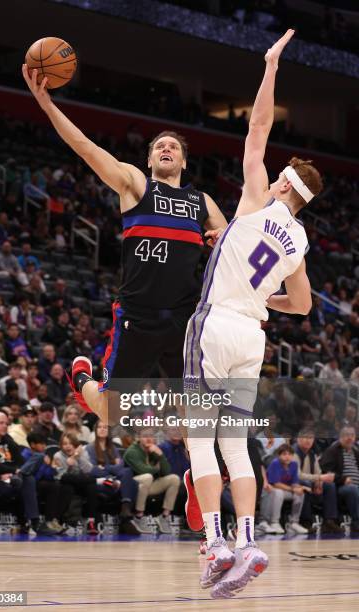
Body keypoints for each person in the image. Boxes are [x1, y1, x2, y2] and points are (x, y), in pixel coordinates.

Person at [182, 30, 324, 599]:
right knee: (236, 444)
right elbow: (306, 306)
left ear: (284, 183)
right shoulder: (299, 241)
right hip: (253, 337)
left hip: (216, 323)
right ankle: (247, 542)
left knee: (199, 439)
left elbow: (258, 126)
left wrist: (269, 68)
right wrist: (268, 300)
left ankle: (215, 543)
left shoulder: (255, 198)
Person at [22, 62, 227, 425]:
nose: (167, 148)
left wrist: (219, 241)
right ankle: (82, 378)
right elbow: (86, 149)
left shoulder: (203, 202)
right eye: (160, 146)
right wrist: (48, 106)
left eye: (174, 146)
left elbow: (231, 253)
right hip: (138, 315)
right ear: (149, 159)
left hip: (184, 317)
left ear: (183, 160)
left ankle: (201, 478)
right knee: (112, 414)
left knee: (196, 415)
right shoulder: (136, 184)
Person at [0, 411, 56, 535]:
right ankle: (34, 523)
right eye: (1, 423)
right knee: (28, 477)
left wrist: (15, 471)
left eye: (6, 423)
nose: (5, 426)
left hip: (14, 476)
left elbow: (20, 460)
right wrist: (10, 471)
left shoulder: (8, 439)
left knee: (33, 466)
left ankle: (35, 523)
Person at [86, 420, 141, 535]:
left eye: (105, 427)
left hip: (115, 482)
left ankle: (125, 511)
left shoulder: (113, 448)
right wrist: (111, 468)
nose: (102, 429)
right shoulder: (89, 448)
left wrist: (104, 467)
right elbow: (93, 470)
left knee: (128, 473)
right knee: (130, 483)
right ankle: (125, 518)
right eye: (99, 427)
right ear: (95, 431)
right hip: (101, 483)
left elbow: (120, 468)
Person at [124, 428, 180, 534]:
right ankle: (139, 516)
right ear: (138, 438)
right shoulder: (132, 451)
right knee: (147, 476)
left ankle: (164, 516)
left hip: (148, 486)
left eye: (151, 436)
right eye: (145, 436)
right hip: (133, 485)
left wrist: (160, 455)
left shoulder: (154, 450)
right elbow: (142, 470)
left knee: (174, 479)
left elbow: (166, 471)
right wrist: (156, 468)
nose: (148, 439)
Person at [293, 429, 343, 534]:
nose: (308, 441)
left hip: (310, 482)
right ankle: (305, 522)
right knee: (305, 484)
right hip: (293, 483)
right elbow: (298, 475)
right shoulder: (293, 452)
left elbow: (318, 472)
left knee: (329, 485)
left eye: (311, 438)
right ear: (299, 439)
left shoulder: (312, 454)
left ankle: (329, 521)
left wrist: (319, 483)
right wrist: (319, 478)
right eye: (305, 437)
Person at [53, 433, 99, 534]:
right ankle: (63, 522)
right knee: (68, 482)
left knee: (92, 486)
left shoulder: (83, 453)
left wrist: (77, 456)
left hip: (82, 483)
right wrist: (71, 462)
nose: (68, 446)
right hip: (65, 483)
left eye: (71, 443)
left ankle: (91, 522)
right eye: (65, 444)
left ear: (75, 445)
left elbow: (88, 470)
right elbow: (62, 476)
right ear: (61, 445)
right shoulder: (58, 456)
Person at [259, 444, 310, 535]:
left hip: (286, 491)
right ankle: (274, 522)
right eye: (284, 454)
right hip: (271, 491)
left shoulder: (294, 464)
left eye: (290, 454)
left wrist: (299, 488)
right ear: (279, 455)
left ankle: (294, 523)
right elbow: (276, 484)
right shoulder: (275, 463)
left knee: (300, 493)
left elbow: (294, 482)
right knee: (279, 492)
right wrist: (293, 489)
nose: (287, 457)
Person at [320, 426, 359, 534]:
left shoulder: (356, 451)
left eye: (352, 435)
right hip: (340, 487)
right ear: (340, 437)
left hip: (355, 486)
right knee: (352, 489)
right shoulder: (332, 450)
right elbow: (326, 471)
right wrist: (343, 479)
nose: (349, 438)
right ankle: (356, 523)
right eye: (346, 435)